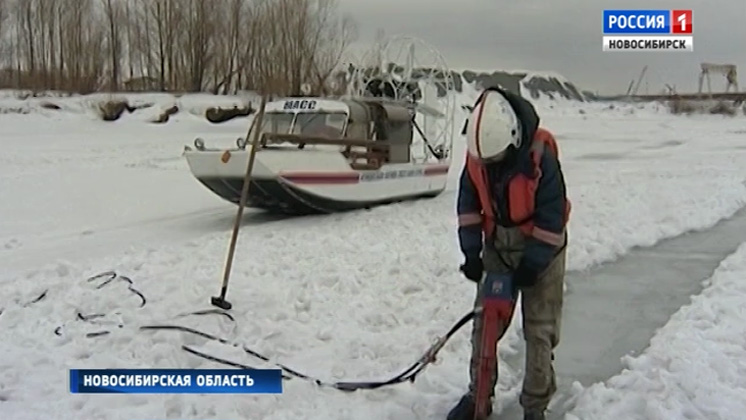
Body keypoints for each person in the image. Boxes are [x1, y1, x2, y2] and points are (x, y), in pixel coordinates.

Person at [448, 87, 571, 420]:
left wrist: (532, 265)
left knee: (539, 330)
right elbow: (469, 207)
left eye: (495, 159)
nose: (490, 165)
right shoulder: (476, 158)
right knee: (485, 324)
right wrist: (472, 253)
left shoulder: (540, 154)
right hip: (498, 247)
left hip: (542, 249)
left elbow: (551, 217)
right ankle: (479, 398)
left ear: (513, 140)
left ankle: (534, 408)